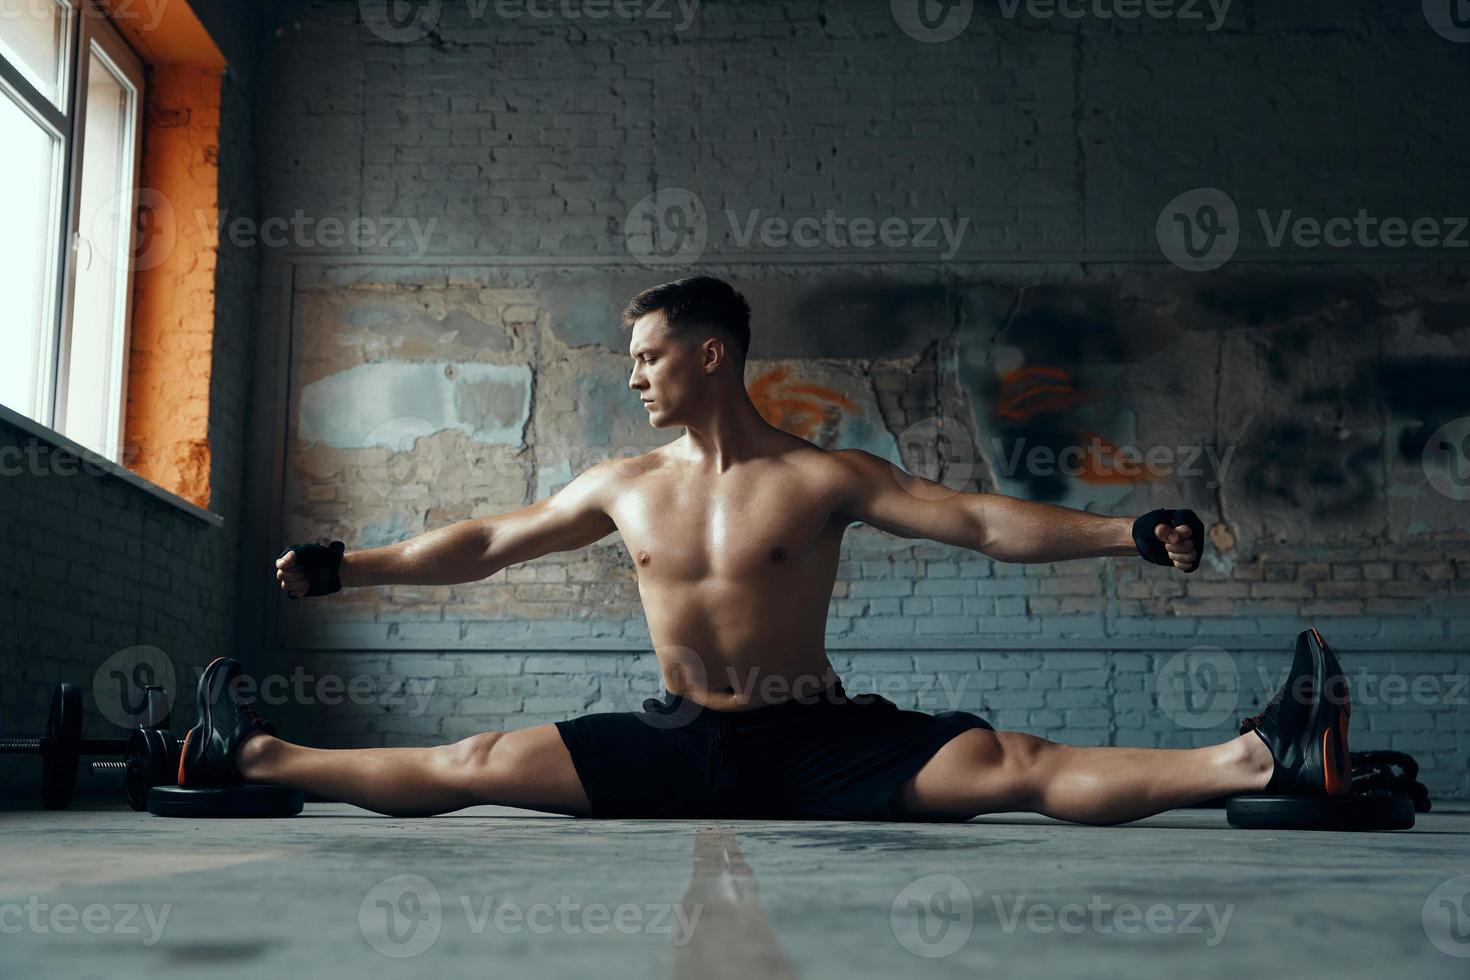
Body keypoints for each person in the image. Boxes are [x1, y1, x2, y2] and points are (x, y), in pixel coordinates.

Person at [179, 275, 1351, 823]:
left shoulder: (823, 477)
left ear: (709, 356)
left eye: (646, 353)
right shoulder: (623, 485)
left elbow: (982, 520)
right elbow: (488, 540)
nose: (633, 373)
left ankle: (1257, 758)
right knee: (474, 758)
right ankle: (256, 753)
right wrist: (355, 565)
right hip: (680, 735)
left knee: (1017, 765)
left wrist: (1129, 532)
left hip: (817, 735)